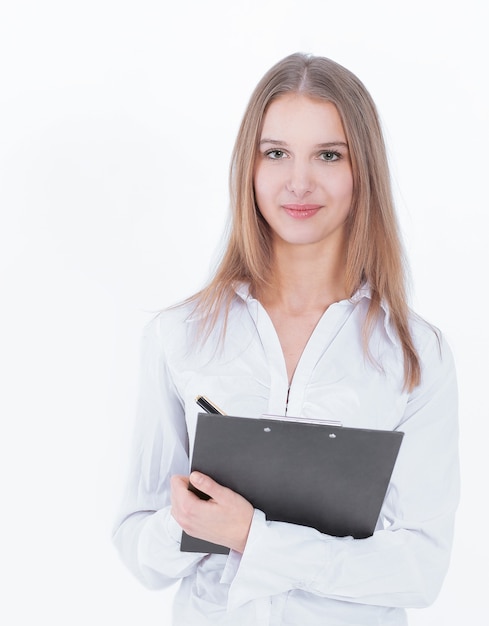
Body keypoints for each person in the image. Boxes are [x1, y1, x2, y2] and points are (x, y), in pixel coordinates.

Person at [112, 52, 459, 625]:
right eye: (276, 154)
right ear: (248, 167)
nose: (299, 182)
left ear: (362, 171)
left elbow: (421, 569)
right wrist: (188, 520)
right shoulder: (180, 335)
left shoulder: (415, 353)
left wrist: (255, 538)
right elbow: (139, 552)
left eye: (328, 155)